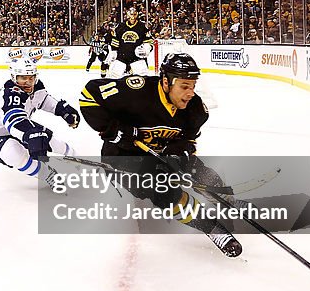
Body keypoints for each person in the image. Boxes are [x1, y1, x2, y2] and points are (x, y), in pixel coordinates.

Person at [78, 53, 241, 257]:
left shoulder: (196, 109)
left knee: (198, 172)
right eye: (184, 86)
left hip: (161, 154)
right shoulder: (136, 91)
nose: (190, 93)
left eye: (193, 86)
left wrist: (180, 152)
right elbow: (88, 95)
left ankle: (225, 200)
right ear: (166, 81)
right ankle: (212, 228)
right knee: (162, 191)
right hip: (123, 159)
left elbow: (188, 141)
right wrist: (115, 131)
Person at [0, 58, 78, 184]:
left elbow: (44, 101)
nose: (28, 82)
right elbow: (15, 121)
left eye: (31, 77)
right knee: (13, 153)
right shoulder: (10, 95)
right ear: (14, 77)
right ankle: (49, 176)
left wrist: (63, 111)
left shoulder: (37, 86)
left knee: (45, 136)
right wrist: (30, 135)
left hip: (16, 126)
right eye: (23, 78)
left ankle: (74, 156)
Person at [110, 7, 153, 76]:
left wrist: (146, 48)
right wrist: (114, 51)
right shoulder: (121, 26)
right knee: (114, 76)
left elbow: (149, 40)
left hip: (137, 58)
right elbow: (115, 40)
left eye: (134, 14)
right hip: (122, 57)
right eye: (131, 14)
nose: (133, 16)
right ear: (128, 15)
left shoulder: (142, 27)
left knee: (143, 77)